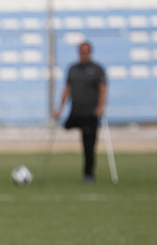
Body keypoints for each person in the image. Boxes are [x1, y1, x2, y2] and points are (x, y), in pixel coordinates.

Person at [54, 41, 107, 184]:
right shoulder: (73, 69)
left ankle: (88, 174)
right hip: (75, 112)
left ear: (90, 52)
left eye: (86, 51)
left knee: (88, 145)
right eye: (81, 51)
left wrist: (100, 107)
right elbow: (67, 89)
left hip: (91, 114)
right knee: (66, 127)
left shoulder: (97, 70)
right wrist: (60, 109)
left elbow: (103, 89)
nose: (84, 54)